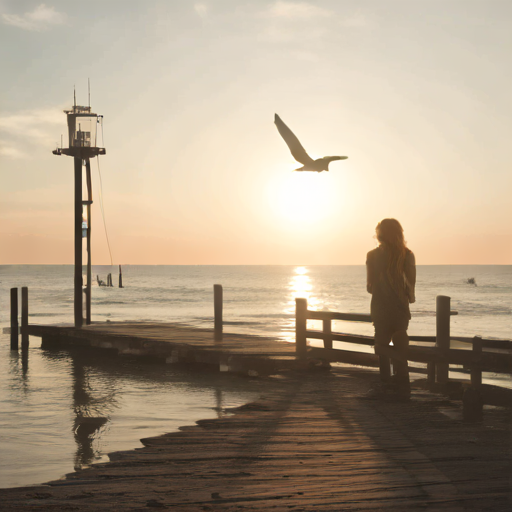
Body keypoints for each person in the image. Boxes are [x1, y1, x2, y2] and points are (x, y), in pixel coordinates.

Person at [366, 219, 416, 396]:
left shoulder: (372, 256)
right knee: (400, 344)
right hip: (401, 310)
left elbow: (369, 287)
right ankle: (403, 386)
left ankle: (386, 384)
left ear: (379, 235)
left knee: (381, 347)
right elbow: (411, 290)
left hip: (380, 308)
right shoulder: (408, 255)